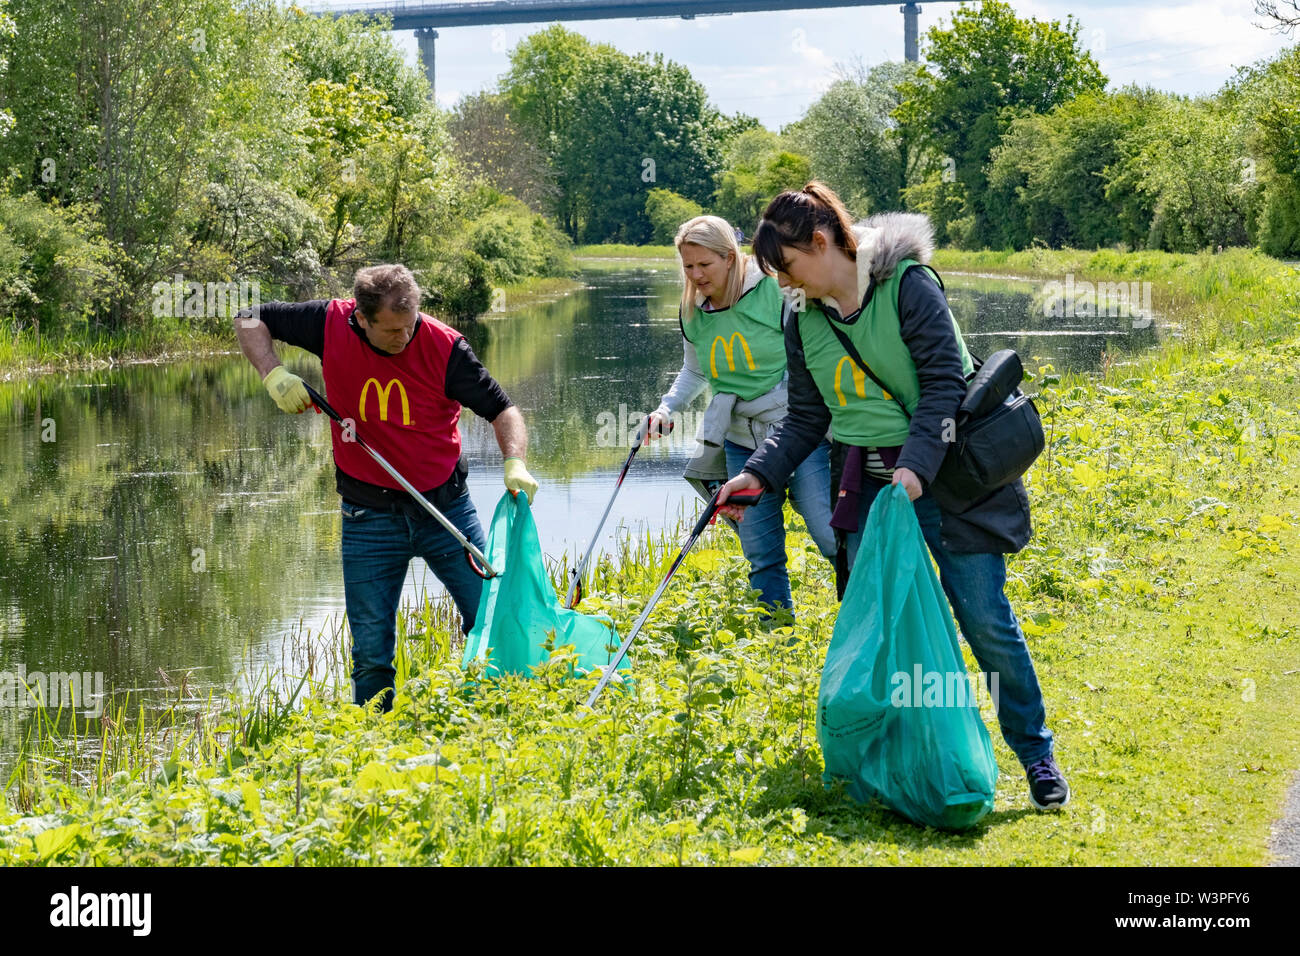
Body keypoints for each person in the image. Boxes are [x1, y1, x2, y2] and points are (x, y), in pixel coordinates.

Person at [717, 183, 1069, 809]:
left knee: (984, 621)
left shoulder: (909, 286)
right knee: (879, 629)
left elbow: (942, 385)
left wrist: (914, 469)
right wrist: (760, 474)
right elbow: (805, 418)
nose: (785, 285)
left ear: (820, 243)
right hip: (868, 490)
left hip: (946, 481)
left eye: (788, 267)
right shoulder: (802, 317)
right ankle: (903, 761)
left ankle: (1035, 753)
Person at [233, 264, 538, 713]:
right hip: (366, 517)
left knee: (489, 619)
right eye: (392, 330)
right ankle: (373, 737)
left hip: (445, 510)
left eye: (410, 324)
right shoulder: (330, 324)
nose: (404, 337)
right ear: (361, 318)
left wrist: (515, 461)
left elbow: (502, 410)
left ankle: (498, 718)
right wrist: (273, 373)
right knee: (372, 654)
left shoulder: (445, 347)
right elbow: (248, 317)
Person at [647, 214, 836, 616]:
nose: (696, 275)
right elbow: (695, 370)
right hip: (738, 439)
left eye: (705, 264)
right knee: (760, 551)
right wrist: (667, 409)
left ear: (730, 257)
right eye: (688, 266)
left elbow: (814, 351)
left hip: (795, 431)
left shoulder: (775, 290)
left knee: (828, 532)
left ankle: (873, 613)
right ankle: (777, 636)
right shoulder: (692, 309)